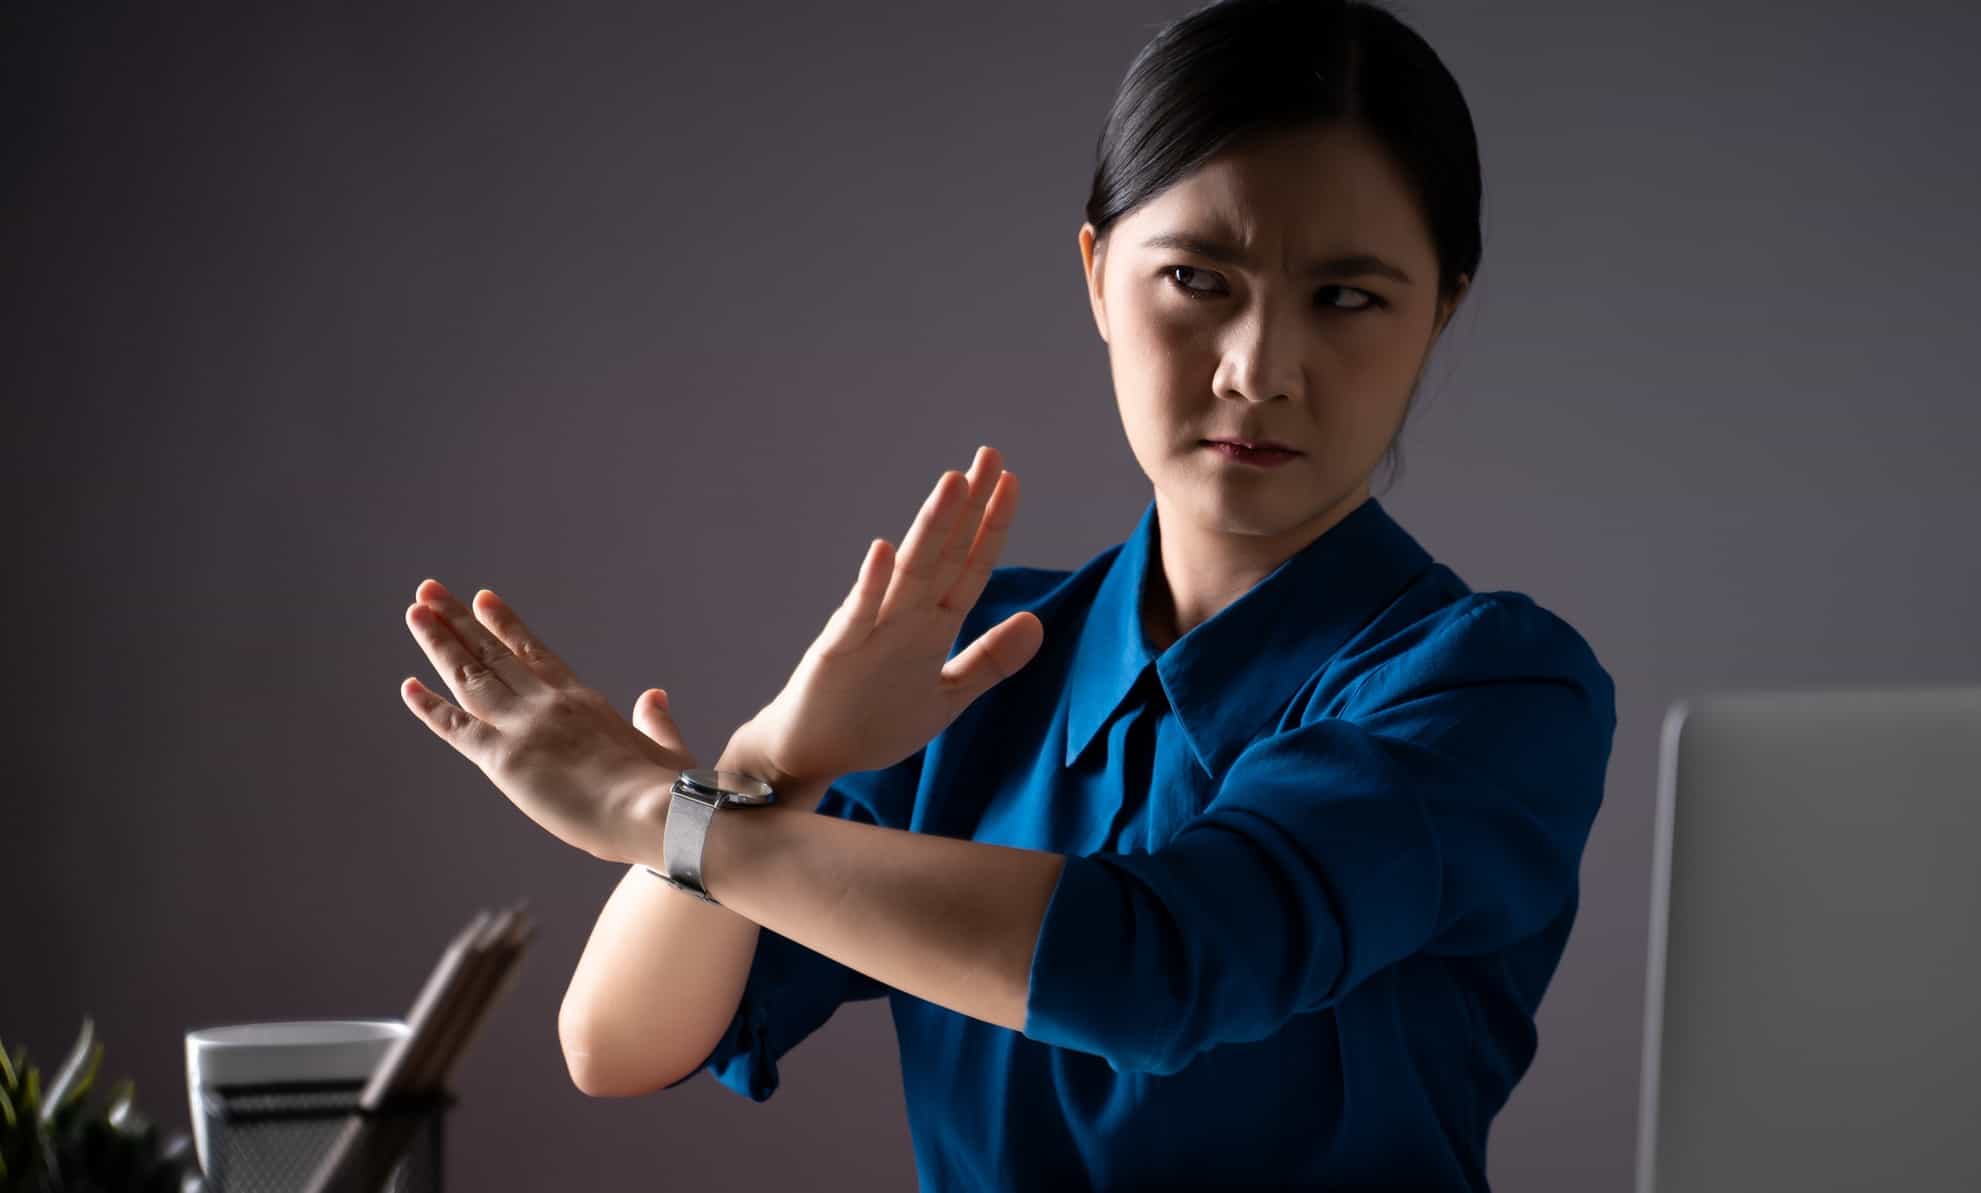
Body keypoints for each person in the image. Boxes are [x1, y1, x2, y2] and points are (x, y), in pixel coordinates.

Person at [395, 0, 1616, 1188]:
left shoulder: (1492, 689)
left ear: (1441, 309)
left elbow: (1163, 965)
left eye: (1346, 298)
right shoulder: (976, 660)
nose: (1261, 369)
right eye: (1198, 279)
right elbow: (620, 1044)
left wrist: (662, 814)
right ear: (1097, 274)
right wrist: (768, 760)